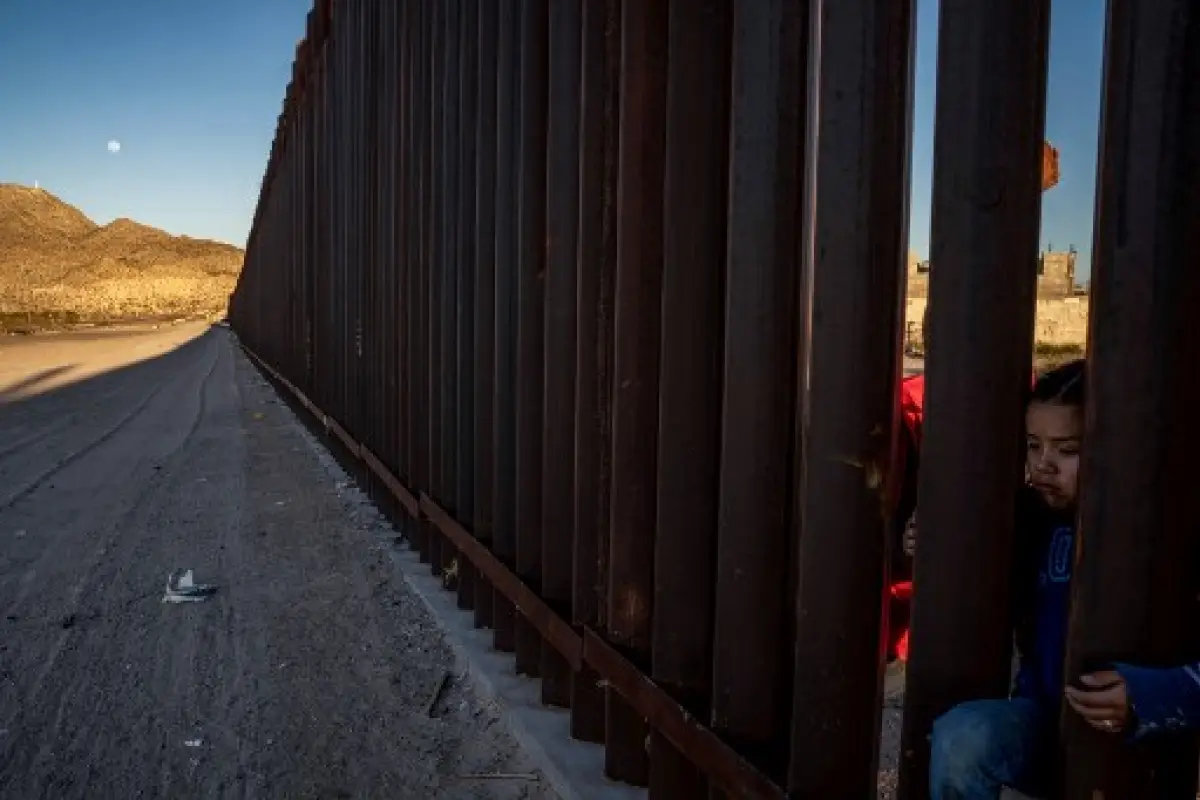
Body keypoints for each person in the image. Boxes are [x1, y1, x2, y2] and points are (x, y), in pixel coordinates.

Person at [928, 359, 1086, 799]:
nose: (1044, 464)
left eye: (1067, 449)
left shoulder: (1160, 533)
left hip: (1138, 727)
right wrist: (934, 549)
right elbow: (982, 571)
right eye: (1034, 446)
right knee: (962, 739)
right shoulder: (1033, 518)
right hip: (1041, 714)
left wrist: (1152, 693)